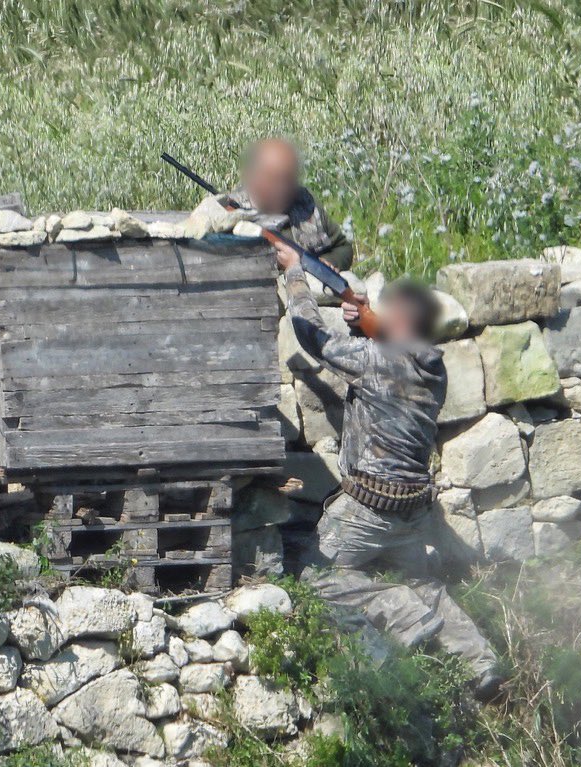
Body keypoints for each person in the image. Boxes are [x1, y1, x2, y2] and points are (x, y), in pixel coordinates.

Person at [272, 238, 503, 700]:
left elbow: (312, 335)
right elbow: (393, 360)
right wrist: (364, 320)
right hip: (415, 514)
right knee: (425, 583)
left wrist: (296, 272)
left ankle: (399, 611)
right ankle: (482, 664)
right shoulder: (433, 367)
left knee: (310, 573)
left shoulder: (376, 360)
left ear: (399, 319)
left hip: (367, 512)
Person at [229, 138, 353, 270]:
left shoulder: (307, 204)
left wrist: (327, 264)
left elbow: (343, 248)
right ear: (254, 177)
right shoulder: (229, 215)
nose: (282, 189)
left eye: (287, 179)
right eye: (274, 179)